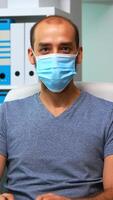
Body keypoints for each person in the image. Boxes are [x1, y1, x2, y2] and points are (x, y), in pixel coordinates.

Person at [0, 15, 113, 200]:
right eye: (45, 49)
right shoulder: (6, 114)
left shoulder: (108, 115)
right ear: (31, 55)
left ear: (79, 54)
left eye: (65, 48)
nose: (55, 57)